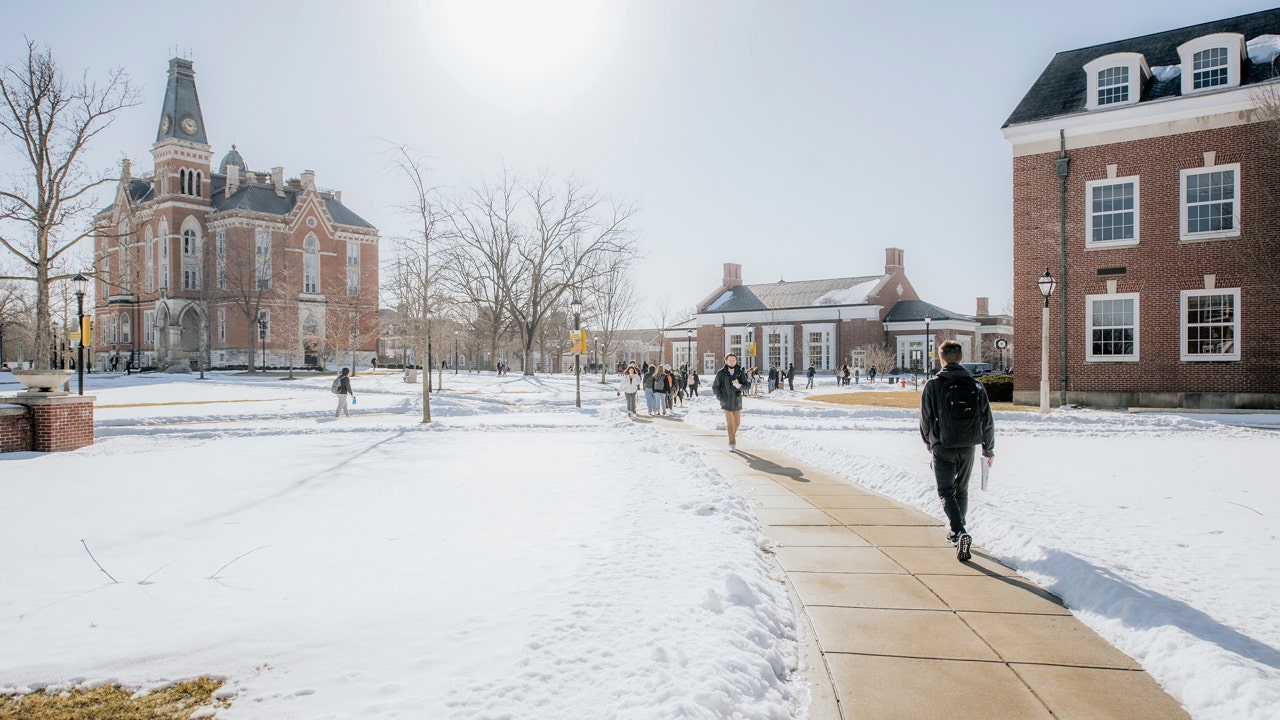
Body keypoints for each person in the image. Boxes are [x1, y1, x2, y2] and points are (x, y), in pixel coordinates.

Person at [919, 340, 995, 562]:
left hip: (943, 444)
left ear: (941, 359)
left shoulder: (934, 385)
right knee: (961, 490)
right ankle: (958, 529)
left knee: (945, 491)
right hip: (968, 445)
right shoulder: (976, 385)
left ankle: (959, 531)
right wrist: (988, 449)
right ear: (960, 358)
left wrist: (929, 442)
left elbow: (925, 418)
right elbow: (987, 420)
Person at [712, 353, 751, 450]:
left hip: (737, 401)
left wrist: (740, 386)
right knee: (730, 423)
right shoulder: (721, 373)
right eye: (730, 360)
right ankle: (732, 443)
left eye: (734, 360)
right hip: (726, 402)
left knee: (737, 423)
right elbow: (715, 387)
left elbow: (748, 385)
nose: (732, 362)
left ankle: (731, 436)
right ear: (726, 361)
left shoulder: (740, 373)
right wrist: (721, 398)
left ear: (736, 361)